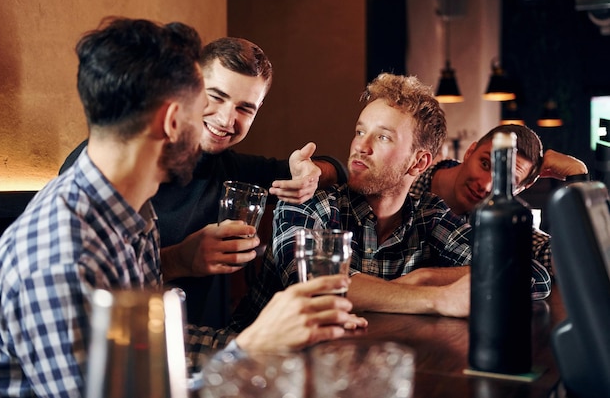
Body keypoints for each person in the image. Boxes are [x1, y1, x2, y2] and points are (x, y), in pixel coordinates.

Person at [0, 17, 366, 398]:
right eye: (204, 101)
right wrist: (253, 348)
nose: (220, 121)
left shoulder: (130, 214)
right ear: (172, 121)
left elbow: (149, 356)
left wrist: (271, 342)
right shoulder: (60, 256)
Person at [228, 74, 551, 332]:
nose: (360, 147)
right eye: (359, 131)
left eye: (382, 137)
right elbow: (317, 287)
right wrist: (436, 298)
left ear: (418, 163)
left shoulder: (430, 216)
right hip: (262, 370)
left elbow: (532, 274)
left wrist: (425, 278)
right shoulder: (310, 200)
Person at [59, 37, 347, 326]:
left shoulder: (226, 168)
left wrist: (313, 172)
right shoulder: (111, 164)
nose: (226, 119)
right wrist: (179, 260)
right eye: (216, 96)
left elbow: (334, 169)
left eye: (245, 108)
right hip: (128, 345)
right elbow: (80, 284)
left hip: (208, 349)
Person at [409, 123, 589, 276]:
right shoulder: (406, 184)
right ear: (470, 152)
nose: (486, 185)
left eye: (507, 180)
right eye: (485, 164)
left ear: (519, 190)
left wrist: (578, 177)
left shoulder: (503, 220)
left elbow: (574, 262)